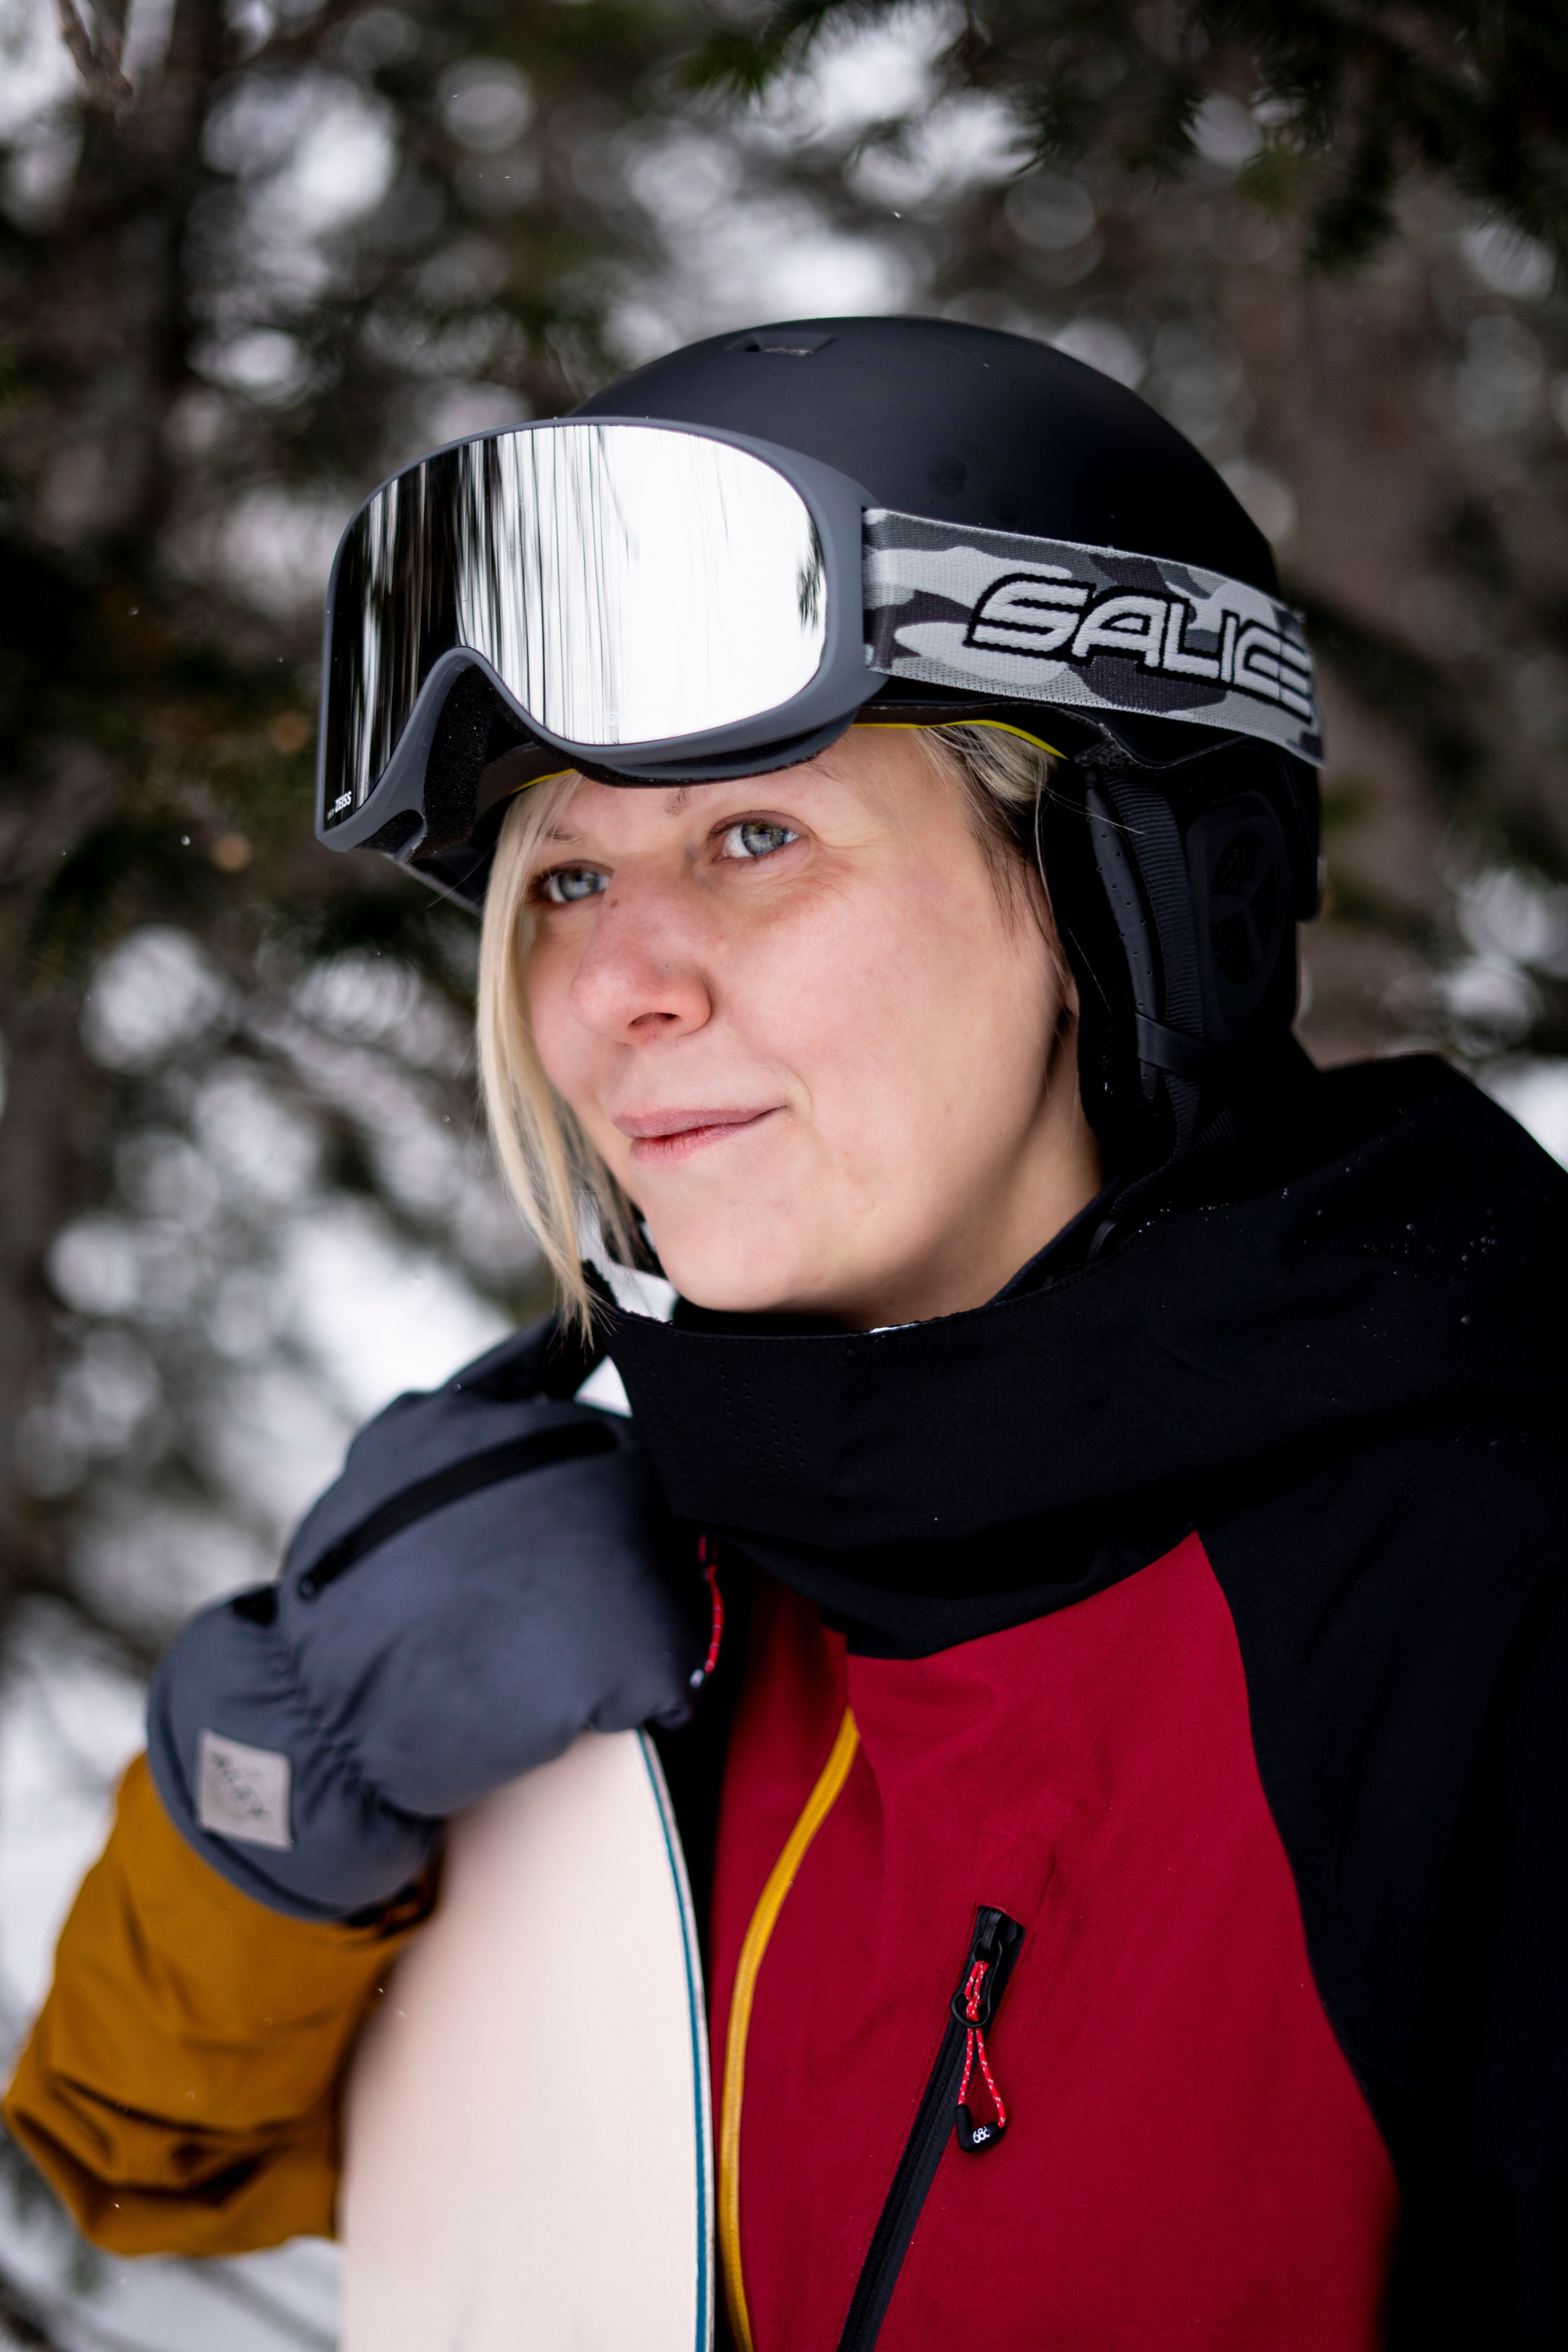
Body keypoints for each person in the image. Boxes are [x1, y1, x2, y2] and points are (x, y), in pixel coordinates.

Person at [7, 315, 1567, 2350]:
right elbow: (141, 2159)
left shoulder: (1485, 1612)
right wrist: (287, 1789)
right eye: (566, 878)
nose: (617, 987)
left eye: (754, 838)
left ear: (1135, 896)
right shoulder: (654, 1604)